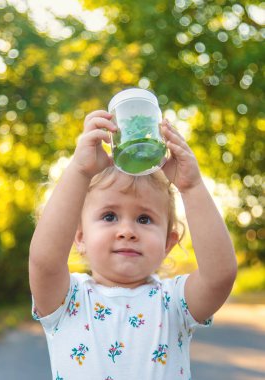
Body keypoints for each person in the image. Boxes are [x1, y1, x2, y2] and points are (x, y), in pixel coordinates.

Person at [29, 110, 237, 380]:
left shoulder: (174, 303)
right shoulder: (67, 301)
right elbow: (43, 262)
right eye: (109, 216)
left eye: (144, 218)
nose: (127, 231)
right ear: (79, 237)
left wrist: (192, 186)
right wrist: (79, 171)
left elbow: (220, 275)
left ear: (167, 243)